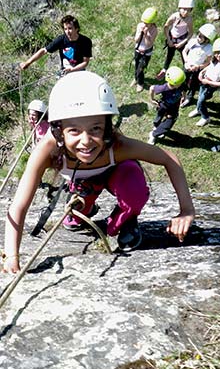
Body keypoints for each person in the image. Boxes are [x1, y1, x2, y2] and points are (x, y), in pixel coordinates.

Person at [2, 71, 195, 273]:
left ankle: (126, 218)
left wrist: (186, 211)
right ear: (59, 130)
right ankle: (86, 204)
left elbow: (169, 159)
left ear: (106, 127)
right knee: (74, 222)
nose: (86, 141)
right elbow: (18, 206)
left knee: (133, 188)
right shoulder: (48, 151)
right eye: (74, 130)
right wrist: (12, 256)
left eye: (95, 128)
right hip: (82, 182)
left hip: (117, 173)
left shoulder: (118, 146)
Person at [20, 15, 92, 73]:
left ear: (76, 29)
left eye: (70, 28)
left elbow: (85, 62)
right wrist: (28, 63)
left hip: (79, 72)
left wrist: (72, 70)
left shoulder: (85, 41)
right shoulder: (61, 39)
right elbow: (44, 51)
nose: (67, 31)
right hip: (65, 72)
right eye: (65, 29)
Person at [156, 0, 194, 81]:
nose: (186, 12)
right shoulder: (174, 16)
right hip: (172, 39)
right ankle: (164, 69)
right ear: (179, 8)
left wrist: (183, 43)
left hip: (182, 40)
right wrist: (169, 40)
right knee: (169, 55)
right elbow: (166, 27)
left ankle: (187, 75)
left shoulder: (189, 19)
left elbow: (191, 33)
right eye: (184, 9)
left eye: (188, 10)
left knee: (185, 57)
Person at [180, 23, 216, 108]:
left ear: (207, 40)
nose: (198, 37)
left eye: (201, 36)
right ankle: (183, 94)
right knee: (183, 80)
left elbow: (208, 62)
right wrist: (186, 61)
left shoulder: (209, 48)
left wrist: (199, 67)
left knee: (194, 84)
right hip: (187, 65)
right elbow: (184, 51)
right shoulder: (192, 41)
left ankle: (189, 97)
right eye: (199, 34)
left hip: (197, 69)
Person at [148, 66, 186, 145]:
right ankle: (154, 133)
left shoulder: (181, 84)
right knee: (159, 116)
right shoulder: (164, 88)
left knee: (170, 121)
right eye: (180, 83)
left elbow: (184, 89)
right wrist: (152, 99)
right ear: (174, 83)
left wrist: (183, 96)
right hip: (163, 106)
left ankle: (156, 131)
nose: (182, 83)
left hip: (174, 107)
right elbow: (152, 88)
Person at [188, 37, 220, 126]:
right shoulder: (215, 60)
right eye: (217, 53)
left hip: (210, 86)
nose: (219, 56)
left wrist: (208, 82)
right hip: (204, 82)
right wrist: (202, 71)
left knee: (201, 101)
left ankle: (205, 117)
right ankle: (198, 109)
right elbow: (210, 66)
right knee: (199, 97)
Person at [130, 7, 158, 93]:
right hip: (138, 50)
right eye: (144, 22)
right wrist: (140, 33)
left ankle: (140, 83)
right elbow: (136, 40)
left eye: (147, 23)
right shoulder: (140, 26)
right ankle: (136, 78)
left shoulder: (154, 30)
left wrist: (146, 35)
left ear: (152, 23)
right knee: (136, 65)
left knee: (141, 69)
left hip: (146, 53)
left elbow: (148, 44)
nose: (145, 24)